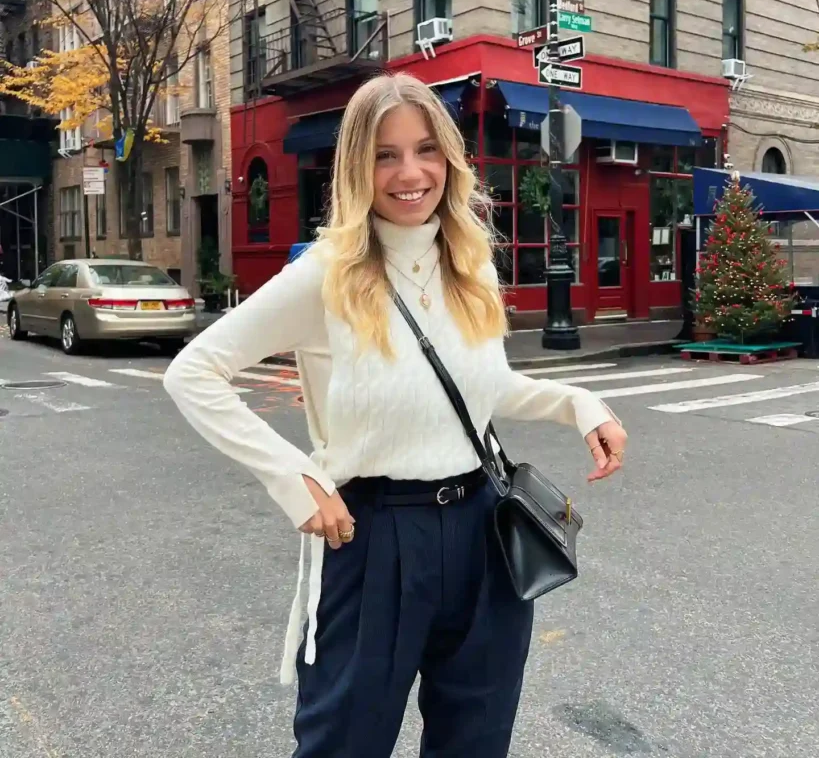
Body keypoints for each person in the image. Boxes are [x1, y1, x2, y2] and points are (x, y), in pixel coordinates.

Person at [164, 72, 627, 758]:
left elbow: (485, 389)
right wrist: (295, 479)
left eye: (425, 150)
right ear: (357, 167)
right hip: (373, 537)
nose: (409, 173)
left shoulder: (469, 263)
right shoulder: (327, 274)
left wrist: (579, 405)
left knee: (475, 741)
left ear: (449, 157)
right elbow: (193, 372)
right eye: (385, 155)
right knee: (343, 743)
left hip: (482, 532)